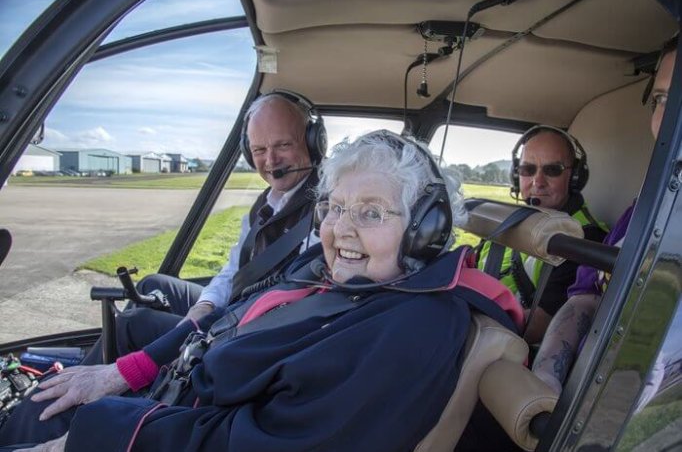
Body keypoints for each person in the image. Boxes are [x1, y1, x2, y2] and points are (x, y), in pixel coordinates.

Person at [0, 130, 523, 451]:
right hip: (173, 404)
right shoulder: (333, 270)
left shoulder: (410, 328)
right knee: (45, 402)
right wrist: (123, 373)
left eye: (371, 212)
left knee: (34, 419)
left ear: (424, 228)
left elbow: (269, 443)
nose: (341, 229)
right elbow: (228, 317)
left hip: (176, 423)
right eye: (335, 207)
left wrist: (95, 435)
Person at [99, 90, 327, 360]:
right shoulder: (268, 202)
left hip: (255, 327)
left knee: (130, 325)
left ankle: (69, 393)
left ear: (314, 143)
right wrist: (205, 305)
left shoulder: (325, 207)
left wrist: (210, 322)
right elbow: (235, 270)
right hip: (241, 304)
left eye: (283, 145)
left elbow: (297, 300)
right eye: (259, 150)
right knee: (153, 285)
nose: (271, 160)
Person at [532, 35, 678, 394]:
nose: (669, 120)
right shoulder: (642, 214)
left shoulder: (583, 234)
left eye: (552, 169)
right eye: (662, 100)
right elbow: (586, 298)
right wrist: (543, 384)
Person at [477, 126, 608, 344]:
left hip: (507, 350)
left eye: (553, 170)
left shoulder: (582, 239)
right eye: (527, 169)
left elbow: (536, 327)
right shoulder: (508, 220)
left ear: (575, 177)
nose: (537, 182)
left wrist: (463, 323)